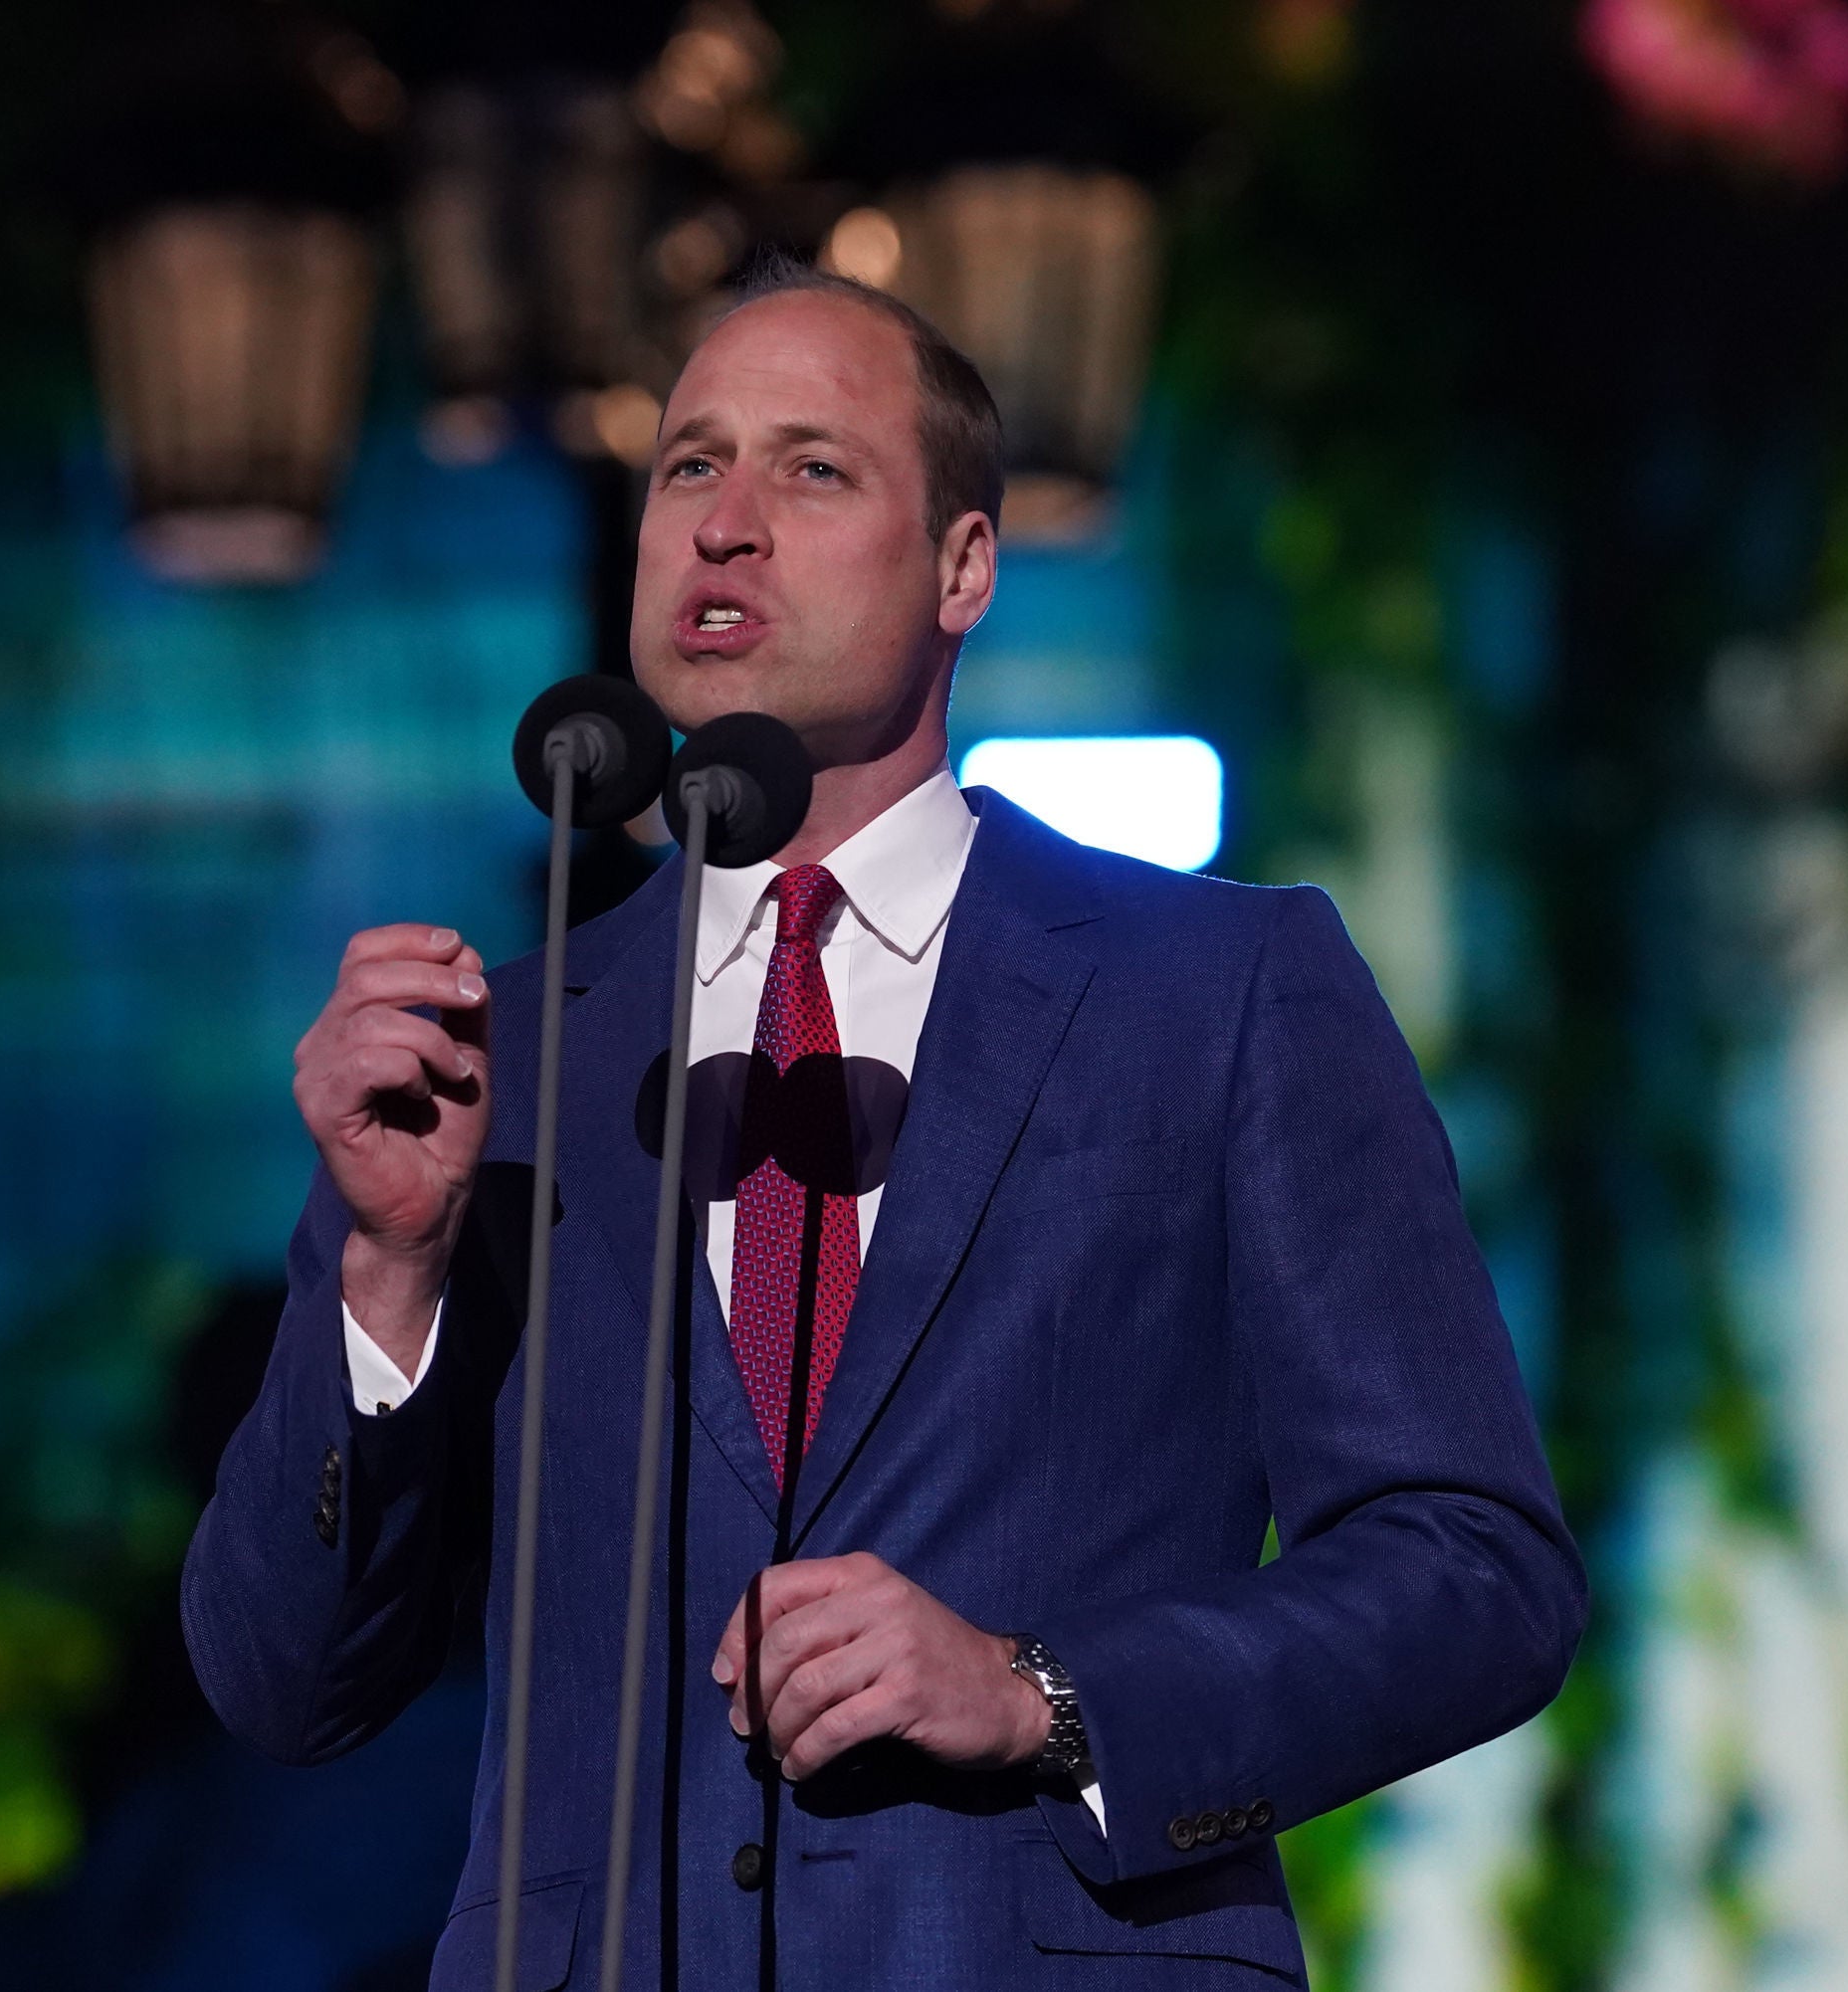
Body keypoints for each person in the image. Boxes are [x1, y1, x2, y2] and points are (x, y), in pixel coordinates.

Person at [183, 260, 1584, 1990]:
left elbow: (1474, 1571)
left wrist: (1040, 1689)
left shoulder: (1217, 991)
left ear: (964, 566)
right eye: (688, 466)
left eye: (812, 468)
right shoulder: (499, 1060)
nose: (725, 525)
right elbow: (278, 1677)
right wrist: (388, 1279)